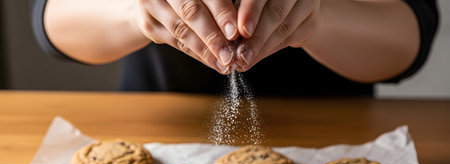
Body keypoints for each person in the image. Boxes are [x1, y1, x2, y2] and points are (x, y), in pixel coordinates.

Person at [30, 0, 439, 96]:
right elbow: (51, 21)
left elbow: (411, 38)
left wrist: (318, 18)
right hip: (156, 125)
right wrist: (137, 12)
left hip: (338, 126)